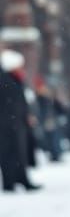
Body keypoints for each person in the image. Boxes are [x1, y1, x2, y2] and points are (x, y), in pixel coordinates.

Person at [0, 50, 41, 192]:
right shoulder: (5, 80)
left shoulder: (15, 79)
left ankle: (20, 180)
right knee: (9, 154)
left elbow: (20, 102)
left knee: (19, 153)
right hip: (7, 124)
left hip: (16, 123)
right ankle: (10, 183)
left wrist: (26, 116)